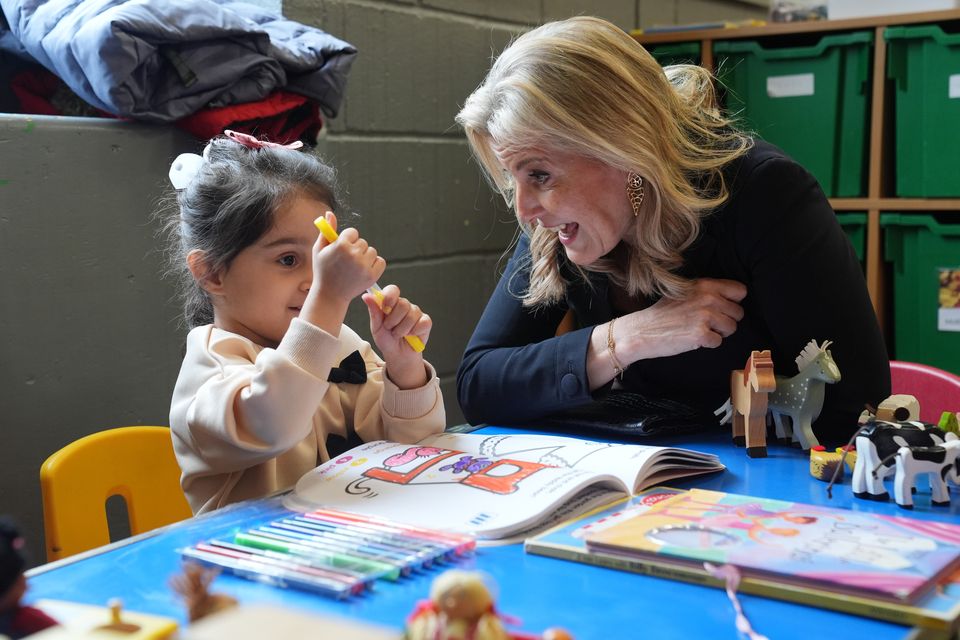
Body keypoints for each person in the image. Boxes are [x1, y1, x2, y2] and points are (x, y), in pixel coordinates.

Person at [454, 16, 889, 446]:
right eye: (514, 179)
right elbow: (479, 385)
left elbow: (857, 404)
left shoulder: (763, 193)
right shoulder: (558, 223)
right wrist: (627, 337)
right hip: (637, 477)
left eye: (541, 175)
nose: (525, 209)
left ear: (621, 145)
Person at [159, 130, 445, 514]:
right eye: (288, 260)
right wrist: (328, 299)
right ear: (212, 273)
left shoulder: (340, 343)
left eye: (321, 255)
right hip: (250, 562)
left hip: (350, 544)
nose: (314, 280)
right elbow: (273, 423)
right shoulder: (208, 372)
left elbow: (413, 449)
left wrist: (404, 367)